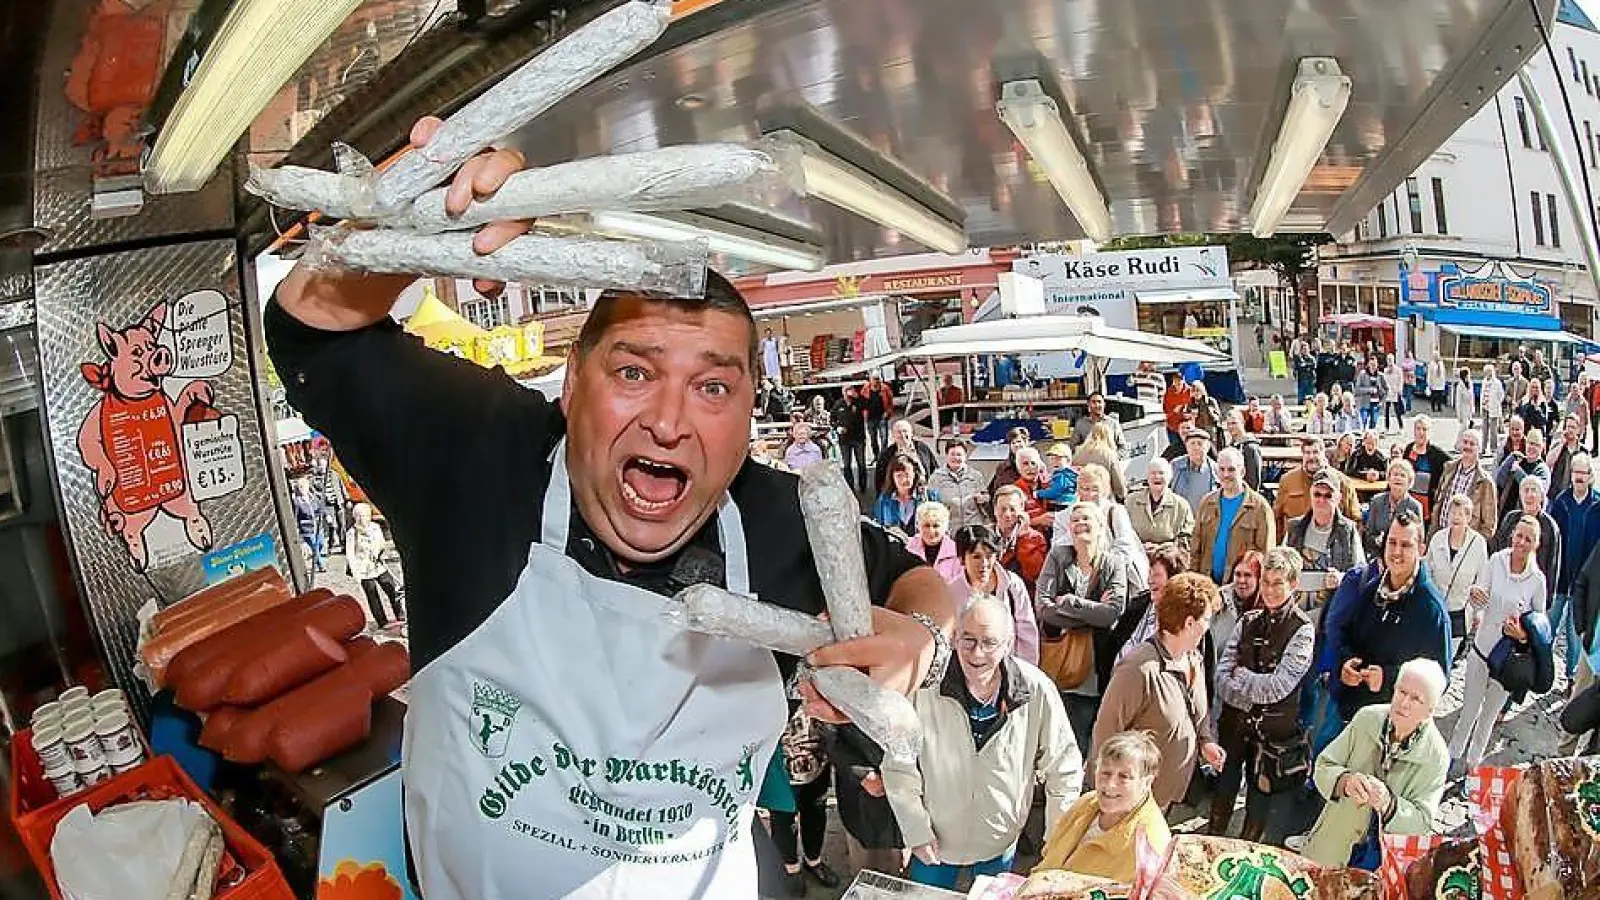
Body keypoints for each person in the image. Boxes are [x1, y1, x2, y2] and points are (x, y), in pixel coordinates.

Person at [267, 120, 953, 898]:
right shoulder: (479, 454)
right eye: (634, 371)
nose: (669, 420)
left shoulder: (782, 520)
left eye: (714, 387)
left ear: (749, 415)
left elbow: (913, 582)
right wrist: (414, 231)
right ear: (571, 385)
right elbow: (311, 337)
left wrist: (922, 638)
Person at [884, 597, 1083, 889]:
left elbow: (1064, 766)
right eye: (968, 639)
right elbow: (899, 764)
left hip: (999, 840)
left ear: (1008, 643)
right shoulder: (924, 686)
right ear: (954, 638)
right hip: (935, 840)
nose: (977, 653)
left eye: (990, 642)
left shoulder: (1036, 689)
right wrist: (915, 830)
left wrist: (1057, 838)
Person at [1089, 573, 1225, 811]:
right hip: (1131, 804)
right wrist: (1109, 797)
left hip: (1164, 798)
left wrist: (1205, 743)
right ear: (1189, 623)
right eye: (1206, 618)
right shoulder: (1138, 668)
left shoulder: (1194, 658)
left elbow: (1197, 713)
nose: (1209, 625)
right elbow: (1106, 733)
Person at [1302, 660, 1450, 870]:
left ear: (1429, 711)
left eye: (1416, 699)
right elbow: (1323, 766)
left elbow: (1422, 823)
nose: (1404, 703)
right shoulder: (1367, 718)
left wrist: (1389, 804)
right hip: (1334, 843)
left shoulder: (1436, 757)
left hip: (1380, 862)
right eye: (1401, 691)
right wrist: (1344, 781)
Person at [1210, 548, 1315, 842]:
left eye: (1277, 583)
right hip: (1234, 727)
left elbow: (1279, 686)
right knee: (1223, 793)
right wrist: (1251, 689)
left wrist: (1243, 679)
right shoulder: (1248, 621)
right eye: (1266, 582)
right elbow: (1221, 676)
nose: (1269, 590)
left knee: (1257, 809)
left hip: (1271, 737)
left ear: (1293, 585)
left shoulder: (1303, 630)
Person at [1317, 515, 1452, 739]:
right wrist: (1345, 663)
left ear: (1421, 549)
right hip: (1346, 712)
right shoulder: (1373, 589)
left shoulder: (1432, 611)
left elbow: (1438, 680)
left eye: (1406, 545)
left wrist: (1389, 679)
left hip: (1386, 727)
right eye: (1392, 542)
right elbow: (1345, 635)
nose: (1396, 551)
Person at [1449, 516, 1548, 776]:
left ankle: (1473, 764)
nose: (1522, 543)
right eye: (1519, 536)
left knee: (1488, 716)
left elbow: (1540, 626)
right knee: (1469, 709)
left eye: (1528, 539)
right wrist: (1475, 596)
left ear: (1536, 544)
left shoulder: (1537, 580)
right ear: (1512, 536)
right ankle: (1452, 755)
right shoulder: (1496, 561)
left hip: (1507, 661)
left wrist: (1523, 635)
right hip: (1482, 648)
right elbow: (1480, 598)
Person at [1036, 502, 1131, 756]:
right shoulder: (1058, 555)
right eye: (1075, 520)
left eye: (1086, 519)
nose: (1080, 524)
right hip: (1061, 662)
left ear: (1101, 526)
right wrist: (1091, 614)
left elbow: (1112, 613)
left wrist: (1068, 602)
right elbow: (1044, 608)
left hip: (1095, 666)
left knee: (1085, 736)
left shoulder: (1113, 563)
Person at [1034, 731, 1171, 883]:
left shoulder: (1150, 845)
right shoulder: (1087, 802)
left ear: (1146, 782)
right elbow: (1049, 855)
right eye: (1105, 772)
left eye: (1124, 777)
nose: (1110, 784)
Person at [944, 525, 1041, 665]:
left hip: (1009, 666)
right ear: (962, 558)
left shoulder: (1013, 585)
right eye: (976, 557)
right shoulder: (952, 592)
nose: (983, 563)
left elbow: (1027, 631)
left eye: (989, 556)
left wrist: (1026, 670)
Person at [768, 709, 839, 896]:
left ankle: (813, 861)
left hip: (817, 751)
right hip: (779, 752)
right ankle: (790, 867)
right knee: (782, 816)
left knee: (816, 809)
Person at [1193, 448, 1276, 585]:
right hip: (1207, 584)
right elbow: (1196, 547)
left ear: (1242, 472)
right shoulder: (1206, 503)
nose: (1226, 474)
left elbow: (1266, 553)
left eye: (1231, 469)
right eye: (1222, 469)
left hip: (1241, 587)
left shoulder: (1260, 507)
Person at [1551, 454, 1600, 684]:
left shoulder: (1598, 505)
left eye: (1583, 473)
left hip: (1583, 584)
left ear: (1590, 477)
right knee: (1547, 629)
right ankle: (1537, 673)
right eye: (1575, 472)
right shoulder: (1561, 502)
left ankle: (1571, 677)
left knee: (1574, 635)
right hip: (1560, 579)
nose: (1578, 477)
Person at [1425, 494, 1490, 659]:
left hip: (1460, 611)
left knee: (1448, 658)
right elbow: (1427, 571)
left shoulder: (1478, 543)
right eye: (1453, 513)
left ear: (1468, 517)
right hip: (1435, 608)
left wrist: (1478, 612)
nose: (1456, 517)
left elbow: (1482, 579)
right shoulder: (1438, 538)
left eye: (1461, 514)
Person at [1287, 470, 1367, 585]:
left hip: (1333, 598)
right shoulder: (1294, 527)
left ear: (1338, 499)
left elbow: (1360, 572)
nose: (1321, 500)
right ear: (1310, 494)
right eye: (1317, 494)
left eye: (1328, 496)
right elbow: (1282, 567)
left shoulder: (1348, 530)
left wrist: (1340, 578)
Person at [1491, 476, 1561, 607]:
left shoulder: (1550, 527)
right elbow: (1498, 548)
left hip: (1531, 590)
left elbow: (1553, 564)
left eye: (1533, 490)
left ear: (1541, 496)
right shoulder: (1510, 518)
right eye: (1525, 490)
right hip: (1504, 585)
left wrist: (1548, 600)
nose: (1529, 495)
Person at [1273, 438, 1361, 535]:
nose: (1311, 457)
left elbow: (1355, 520)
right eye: (1307, 452)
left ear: (1323, 454)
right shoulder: (1287, 481)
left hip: (1331, 544)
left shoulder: (1343, 483)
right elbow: (1277, 517)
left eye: (1315, 452)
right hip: (1296, 542)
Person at [1433, 429, 1498, 540]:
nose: (1467, 446)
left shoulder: (1485, 482)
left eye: (1472, 444)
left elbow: (1489, 525)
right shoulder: (1448, 469)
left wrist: (1473, 545)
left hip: (1465, 543)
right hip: (1441, 536)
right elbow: (1438, 502)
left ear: (1479, 448)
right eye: (1465, 442)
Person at [347, 502, 404, 629]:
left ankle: (400, 614)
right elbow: (350, 554)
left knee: (392, 588)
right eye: (358, 516)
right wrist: (356, 574)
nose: (361, 518)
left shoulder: (375, 527)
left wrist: (378, 551)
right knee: (373, 595)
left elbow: (382, 542)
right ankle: (382, 621)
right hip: (363, 568)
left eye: (364, 515)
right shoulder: (352, 532)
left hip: (378, 565)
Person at [1126, 458, 1195, 555]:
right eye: (1153, 473)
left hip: (1168, 558)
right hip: (1135, 554)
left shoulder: (1181, 505)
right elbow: (1123, 533)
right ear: (1147, 477)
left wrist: (1161, 548)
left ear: (1170, 477)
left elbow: (1188, 537)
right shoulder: (1130, 501)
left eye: (1161, 473)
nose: (1157, 476)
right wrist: (1139, 546)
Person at [1364, 459, 1423, 560]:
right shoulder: (1376, 501)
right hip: (1377, 557)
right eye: (1395, 474)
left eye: (1402, 475)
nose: (1398, 478)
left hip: (1402, 558)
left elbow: (1417, 541)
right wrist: (1377, 541)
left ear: (1409, 482)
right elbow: (1368, 536)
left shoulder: (1415, 506)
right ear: (1389, 479)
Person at [994, 486, 1048, 593]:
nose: (1007, 514)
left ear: (1022, 508)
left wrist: (1024, 536)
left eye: (1012, 509)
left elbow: (1034, 574)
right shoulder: (985, 535)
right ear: (995, 509)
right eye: (1003, 509)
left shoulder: (1034, 538)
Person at [928, 439, 990, 530]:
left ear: (965, 456)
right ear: (946, 456)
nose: (956, 458)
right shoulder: (936, 478)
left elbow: (986, 496)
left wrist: (984, 498)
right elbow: (931, 504)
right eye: (952, 454)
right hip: (949, 528)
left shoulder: (976, 476)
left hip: (973, 525)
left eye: (959, 454)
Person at [1400, 416, 1451, 524]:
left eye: (1424, 429)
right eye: (1418, 429)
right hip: (1408, 500)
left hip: (1427, 504)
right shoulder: (1409, 448)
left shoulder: (1436, 453)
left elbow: (1451, 464)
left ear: (1429, 432)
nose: (1421, 432)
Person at [1496, 428, 1551, 523]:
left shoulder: (1542, 470)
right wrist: (1509, 460)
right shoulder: (1517, 460)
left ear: (1542, 448)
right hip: (1505, 516)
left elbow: (1537, 492)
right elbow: (1499, 481)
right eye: (1530, 443)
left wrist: (1518, 472)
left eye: (1536, 445)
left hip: (1526, 520)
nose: (1532, 447)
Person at [875, 454, 938, 536]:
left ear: (915, 474)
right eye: (899, 476)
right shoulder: (884, 500)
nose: (904, 480)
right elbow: (879, 529)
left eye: (907, 475)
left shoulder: (930, 497)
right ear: (892, 477)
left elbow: (940, 526)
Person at [874, 419, 937, 494]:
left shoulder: (922, 448)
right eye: (899, 432)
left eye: (905, 431)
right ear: (893, 435)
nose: (902, 435)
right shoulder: (886, 455)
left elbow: (935, 469)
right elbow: (879, 481)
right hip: (898, 497)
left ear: (911, 433)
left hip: (924, 492)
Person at [906, 501, 962, 583]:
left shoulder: (956, 552)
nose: (931, 531)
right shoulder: (908, 548)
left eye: (936, 526)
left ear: (945, 527)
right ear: (918, 526)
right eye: (926, 525)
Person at [1171, 427, 1220, 515]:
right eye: (1192, 443)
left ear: (1208, 447)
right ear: (1186, 446)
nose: (1196, 447)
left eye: (1200, 444)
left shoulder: (1216, 469)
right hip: (1181, 521)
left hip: (1206, 521)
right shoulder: (1175, 466)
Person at [1073, 422, 1126, 501]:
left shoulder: (1079, 452)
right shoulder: (1109, 454)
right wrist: (1122, 494)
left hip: (1082, 498)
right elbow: (1118, 483)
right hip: (1103, 498)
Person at [310, 451, 350, 554]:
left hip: (338, 503)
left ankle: (344, 545)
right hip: (328, 506)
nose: (323, 468)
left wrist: (347, 499)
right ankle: (331, 545)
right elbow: (316, 497)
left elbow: (342, 487)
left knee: (342, 525)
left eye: (325, 465)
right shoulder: (316, 480)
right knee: (333, 526)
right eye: (321, 466)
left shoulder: (334, 474)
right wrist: (325, 512)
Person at [833, 387, 869, 493]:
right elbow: (832, 418)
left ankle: (863, 487)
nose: (848, 394)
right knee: (847, 465)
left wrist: (858, 397)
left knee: (861, 463)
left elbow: (868, 405)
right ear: (843, 393)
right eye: (846, 391)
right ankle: (850, 487)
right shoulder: (838, 404)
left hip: (858, 438)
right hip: (844, 440)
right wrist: (837, 427)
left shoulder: (858, 402)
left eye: (850, 391)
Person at [291, 476, 327, 574]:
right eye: (301, 487)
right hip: (306, 529)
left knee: (321, 544)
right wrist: (296, 530)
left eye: (304, 486)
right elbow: (295, 516)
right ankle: (321, 565)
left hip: (318, 526)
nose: (303, 489)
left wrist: (326, 515)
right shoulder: (296, 502)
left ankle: (316, 557)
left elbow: (320, 508)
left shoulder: (313, 498)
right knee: (315, 547)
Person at [1222, 410, 1263, 492]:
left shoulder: (1250, 448)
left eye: (1234, 423)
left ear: (1242, 423)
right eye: (1228, 424)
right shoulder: (1231, 446)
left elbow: (1254, 480)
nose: (1231, 427)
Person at [989, 427, 1034, 496]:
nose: (1016, 445)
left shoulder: (1035, 465)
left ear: (1026, 443)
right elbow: (991, 490)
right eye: (1013, 443)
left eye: (1019, 441)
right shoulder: (1002, 467)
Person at [1036, 443, 1082, 511]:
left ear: (1068, 460)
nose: (1054, 462)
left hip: (1062, 504)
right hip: (1070, 502)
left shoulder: (1062, 475)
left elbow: (1055, 492)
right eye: (1052, 459)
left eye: (1058, 459)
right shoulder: (1070, 473)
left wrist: (1039, 493)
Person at [1547, 414, 1585, 495]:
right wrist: (1561, 444)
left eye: (1573, 427)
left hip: (1575, 495)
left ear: (1578, 430)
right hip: (1555, 494)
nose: (1570, 430)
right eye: (1568, 427)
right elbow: (1548, 463)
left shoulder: (1583, 451)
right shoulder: (1558, 444)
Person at [863, 374, 895, 459]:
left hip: (882, 417)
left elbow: (891, 402)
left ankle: (884, 457)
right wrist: (863, 414)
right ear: (870, 379)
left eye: (877, 379)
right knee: (873, 439)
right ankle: (876, 456)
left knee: (884, 439)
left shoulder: (885, 388)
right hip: (870, 418)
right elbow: (862, 402)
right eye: (874, 379)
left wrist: (888, 412)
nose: (876, 381)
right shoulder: (865, 389)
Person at [1163, 373, 1195, 450]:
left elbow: (1194, 407)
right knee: (1175, 448)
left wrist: (1188, 413)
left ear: (1183, 380)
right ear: (1173, 381)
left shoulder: (1189, 391)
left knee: (1188, 446)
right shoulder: (1168, 392)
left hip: (1186, 427)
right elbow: (1165, 410)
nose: (1178, 383)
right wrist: (1175, 411)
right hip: (1173, 426)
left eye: (1180, 380)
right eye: (1176, 381)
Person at [1481, 364, 1507, 457]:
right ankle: (1483, 448)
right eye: (1487, 372)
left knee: (1493, 430)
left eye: (1490, 372)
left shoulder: (1497, 383)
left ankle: (1493, 448)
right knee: (1484, 429)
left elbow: (1501, 395)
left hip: (1493, 408)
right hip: (1484, 408)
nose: (1488, 374)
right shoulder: (1484, 381)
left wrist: (1496, 403)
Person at [1189, 381, 1223, 446]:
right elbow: (1187, 418)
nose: (1196, 393)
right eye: (1193, 391)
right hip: (1197, 429)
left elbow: (1219, 417)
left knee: (1213, 448)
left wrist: (1211, 412)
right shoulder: (1191, 403)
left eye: (1197, 390)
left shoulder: (1210, 401)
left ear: (1202, 390)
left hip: (1210, 428)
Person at [1355, 358, 1383, 431]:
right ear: (1368, 365)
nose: (1373, 366)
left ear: (1377, 365)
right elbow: (1357, 389)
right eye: (1371, 364)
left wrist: (1382, 400)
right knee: (1362, 422)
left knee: (1373, 423)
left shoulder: (1380, 375)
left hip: (1376, 403)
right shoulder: (1362, 374)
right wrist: (1369, 390)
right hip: (1364, 403)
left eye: (1374, 364)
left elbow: (1386, 389)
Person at [1383, 355, 1407, 432]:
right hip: (1388, 393)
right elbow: (1384, 381)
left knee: (1397, 411)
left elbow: (1401, 380)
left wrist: (1400, 389)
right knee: (1386, 411)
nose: (1390, 361)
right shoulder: (1385, 370)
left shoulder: (1398, 370)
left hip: (1395, 392)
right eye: (1388, 360)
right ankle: (1386, 427)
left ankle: (1401, 427)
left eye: (1391, 359)